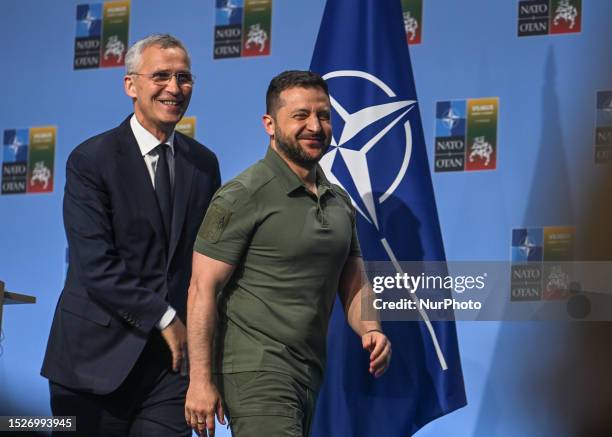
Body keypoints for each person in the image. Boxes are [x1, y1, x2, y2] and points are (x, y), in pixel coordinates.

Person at [184, 70, 391, 437]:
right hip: (255, 371)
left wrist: (371, 327)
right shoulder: (242, 194)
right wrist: (199, 381)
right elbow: (202, 289)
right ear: (270, 124)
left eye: (323, 116)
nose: (315, 126)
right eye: (300, 116)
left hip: (309, 372)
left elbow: (354, 278)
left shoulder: (339, 200)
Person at [41, 34, 220, 437]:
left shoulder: (204, 164)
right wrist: (163, 315)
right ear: (131, 85)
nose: (174, 88)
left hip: (171, 369)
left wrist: (206, 362)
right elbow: (95, 265)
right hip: (91, 366)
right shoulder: (91, 160)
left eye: (184, 77)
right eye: (160, 76)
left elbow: (205, 264)